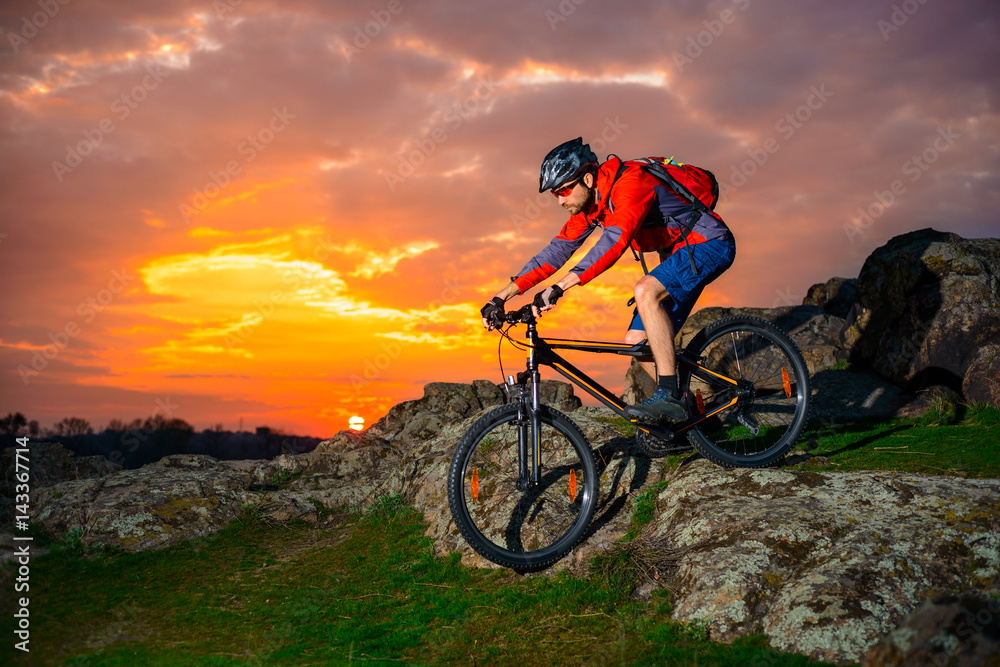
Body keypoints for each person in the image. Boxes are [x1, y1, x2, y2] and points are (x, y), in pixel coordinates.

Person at [480, 137, 736, 422]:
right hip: (678, 255)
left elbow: (615, 240)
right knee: (637, 341)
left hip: (710, 244)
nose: (561, 200)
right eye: (555, 195)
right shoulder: (592, 205)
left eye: (564, 190)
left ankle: (671, 398)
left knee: (645, 291)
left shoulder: (631, 185)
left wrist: (560, 286)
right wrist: (501, 296)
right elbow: (557, 250)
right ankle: (693, 422)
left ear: (587, 179)